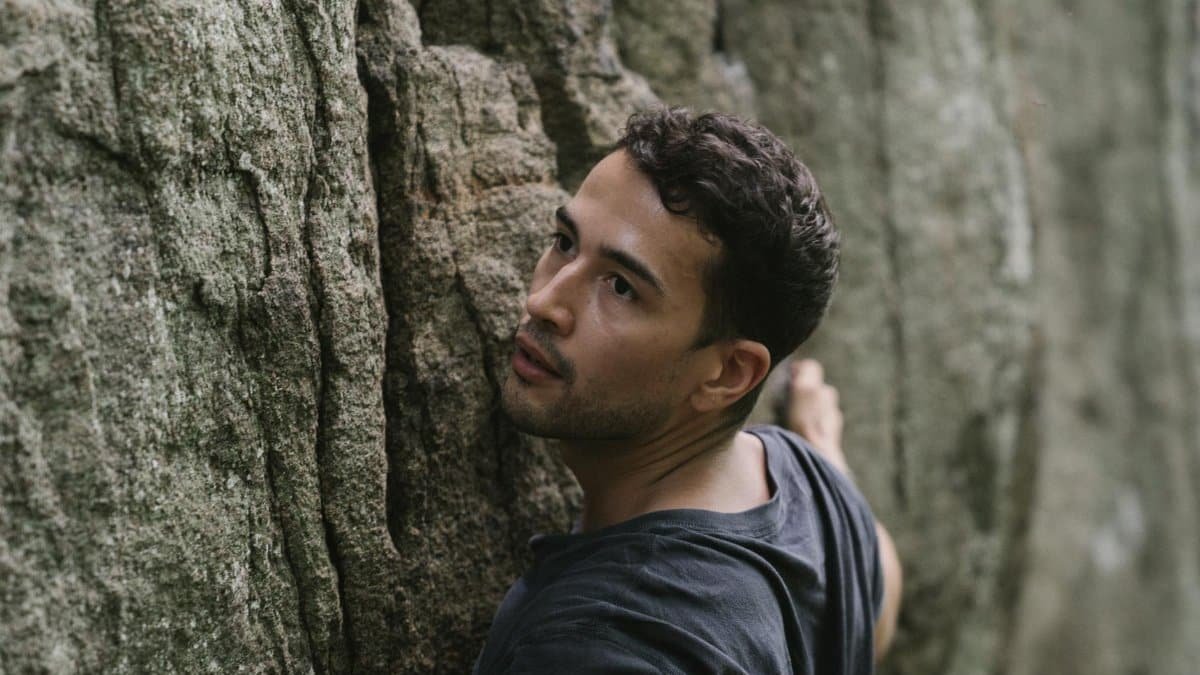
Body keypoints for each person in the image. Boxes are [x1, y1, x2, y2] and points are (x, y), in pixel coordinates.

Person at [473, 107, 902, 674]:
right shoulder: (821, 498)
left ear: (728, 375)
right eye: (565, 241)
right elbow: (880, 603)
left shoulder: (601, 645)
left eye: (621, 288)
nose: (545, 302)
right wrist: (825, 453)